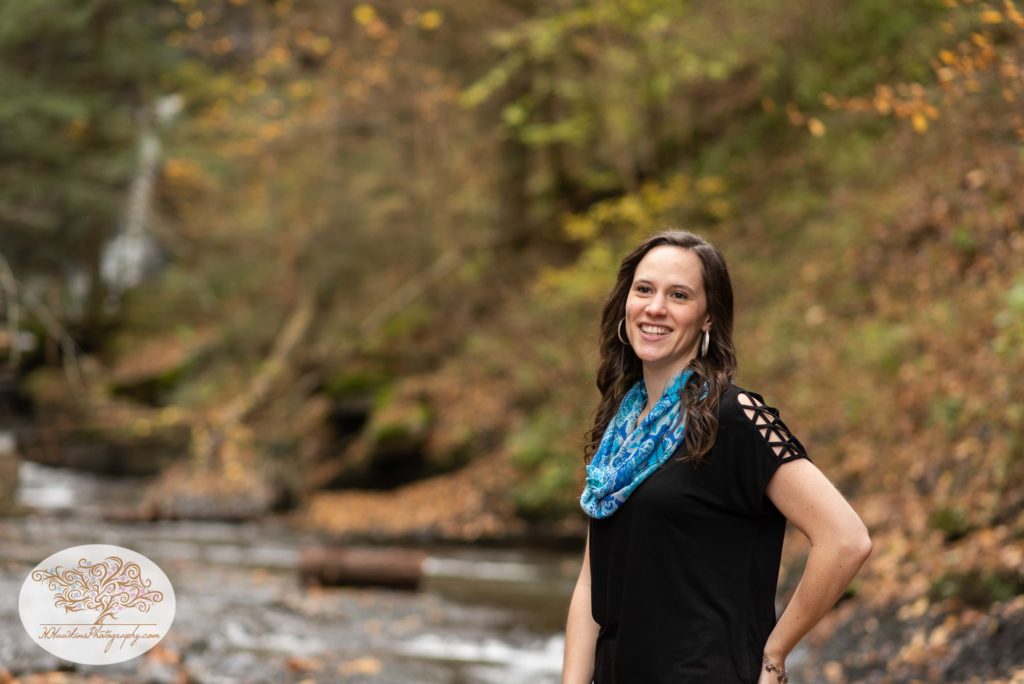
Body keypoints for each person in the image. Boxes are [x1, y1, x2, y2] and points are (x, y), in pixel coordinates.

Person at [561, 230, 872, 684]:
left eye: (679, 295)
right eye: (644, 289)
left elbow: (846, 539)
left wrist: (775, 655)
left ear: (708, 318)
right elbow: (593, 581)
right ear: (625, 304)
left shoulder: (733, 416)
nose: (655, 307)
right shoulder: (620, 429)